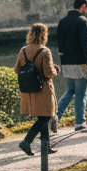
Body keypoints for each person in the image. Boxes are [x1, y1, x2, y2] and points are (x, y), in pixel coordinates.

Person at [14, 23, 59, 156]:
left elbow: (17, 69)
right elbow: (48, 73)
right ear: (44, 35)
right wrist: (56, 70)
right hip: (43, 89)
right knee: (47, 116)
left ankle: (46, 147)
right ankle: (26, 141)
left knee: (42, 116)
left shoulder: (23, 50)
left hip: (29, 89)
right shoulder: (45, 51)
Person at [56, 0, 87, 131]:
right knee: (81, 93)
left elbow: (60, 42)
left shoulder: (62, 21)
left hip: (66, 62)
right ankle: (80, 123)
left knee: (71, 90)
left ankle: (55, 116)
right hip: (80, 63)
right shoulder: (82, 21)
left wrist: (63, 60)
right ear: (83, 6)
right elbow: (86, 43)